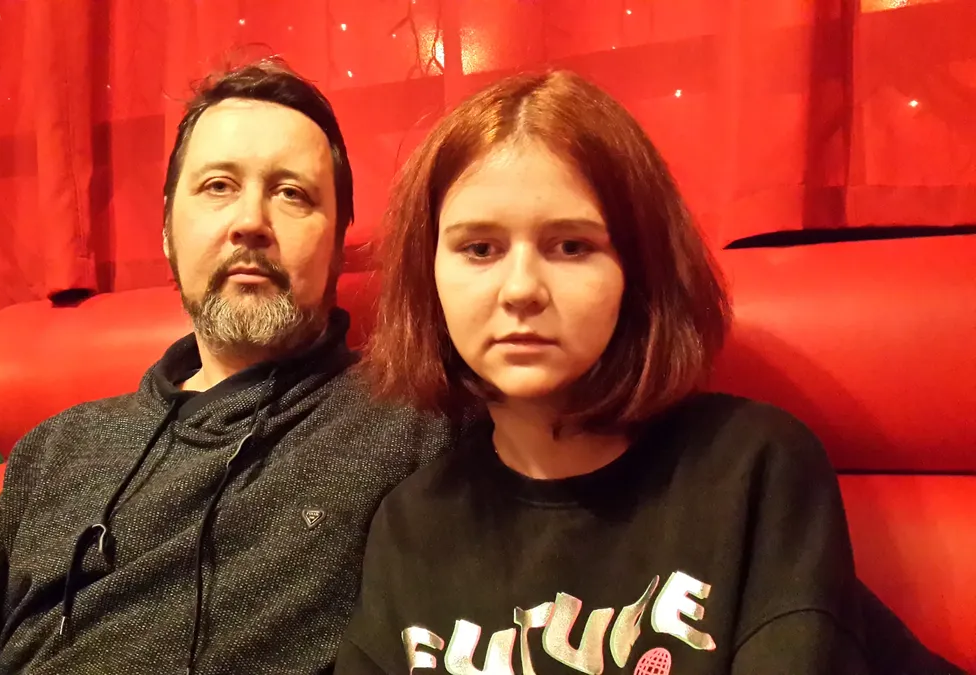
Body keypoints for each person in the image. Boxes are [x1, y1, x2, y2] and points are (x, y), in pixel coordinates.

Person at [0, 59, 453, 675]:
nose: (250, 220)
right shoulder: (56, 450)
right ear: (167, 230)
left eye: (292, 193)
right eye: (218, 186)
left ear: (337, 241)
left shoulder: (412, 427)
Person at [336, 71, 964, 674]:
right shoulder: (411, 522)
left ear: (637, 274)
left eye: (572, 246)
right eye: (479, 249)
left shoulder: (752, 466)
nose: (521, 289)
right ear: (430, 278)